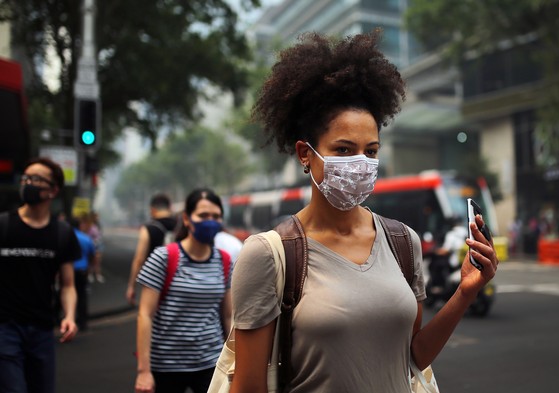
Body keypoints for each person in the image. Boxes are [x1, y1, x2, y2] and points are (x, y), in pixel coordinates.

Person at [229, 30, 499, 393]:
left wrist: (465, 293)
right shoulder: (268, 255)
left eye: (370, 151)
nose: (359, 163)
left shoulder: (404, 242)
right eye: (343, 149)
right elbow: (247, 388)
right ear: (305, 154)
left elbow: (414, 357)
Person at [134, 188, 233, 393]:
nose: (210, 221)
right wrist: (144, 371)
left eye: (215, 216)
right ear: (187, 219)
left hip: (210, 364)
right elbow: (145, 315)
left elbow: (228, 316)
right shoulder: (163, 257)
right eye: (203, 215)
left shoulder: (224, 261)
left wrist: (233, 359)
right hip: (166, 366)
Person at [0, 157, 81, 393]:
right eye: (25, 178)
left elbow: (68, 285)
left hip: (42, 330)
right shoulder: (4, 225)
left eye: (36, 179)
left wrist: (70, 316)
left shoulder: (62, 233)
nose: (27, 183)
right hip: (5, 328)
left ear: (53, 190)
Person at [126, 193, 178, 305]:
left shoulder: (148, 228)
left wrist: (131, 286)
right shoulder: (181, 226)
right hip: (178, 278)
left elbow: (139, 259)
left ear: (153, 209)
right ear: (169, 207)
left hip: (154, 281)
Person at [71, 214, 96, 331]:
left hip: (69, 272)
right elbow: (93, 255)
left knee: (66, 294)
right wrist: (91, 269)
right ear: (80, 226)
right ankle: (82, 322)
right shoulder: (86, 238)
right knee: (82, 297)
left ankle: (65, 319)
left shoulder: (65, 237)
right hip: (82, 271)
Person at [429, 217, 467, 290]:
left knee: (435, 265)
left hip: (455, 264)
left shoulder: (451, 234)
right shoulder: (465, 232)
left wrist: (434, 251)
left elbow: (445, 250)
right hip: (466, 261)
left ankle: (439, 286)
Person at [87, 211, 105, 283]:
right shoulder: (90, 225)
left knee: (98, 261)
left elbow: (100, 234)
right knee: (91, 260)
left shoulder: (98, 224)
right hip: (91, 244)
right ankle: (90, 274)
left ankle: (98, 275)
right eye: (96, 216)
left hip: (98, 244)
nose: (98, 218)